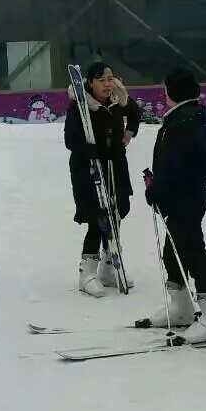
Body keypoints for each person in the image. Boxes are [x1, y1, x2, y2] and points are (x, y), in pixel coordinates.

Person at [143, 68, 206, 340]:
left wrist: (156, 190)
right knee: (173, 250)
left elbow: (175, 167)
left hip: (185, 198)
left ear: (174, 92)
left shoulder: (184, 122)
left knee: (192, 251)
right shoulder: (185, 117)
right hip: (184, 196)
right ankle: (181, 306)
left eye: (166, 88)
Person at [64, 62, 142, 297]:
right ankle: (87, 272)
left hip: (115, 166)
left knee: (117, 212)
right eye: (102, 80)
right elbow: (71, 140)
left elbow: (135, 112)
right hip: (89, 170)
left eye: (110, 78)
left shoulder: (118, 100)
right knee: (98, 218)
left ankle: (110, 265)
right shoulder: (80, 107)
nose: (108, 84)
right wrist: (92, 152)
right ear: (90, 82)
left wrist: (130, 131)